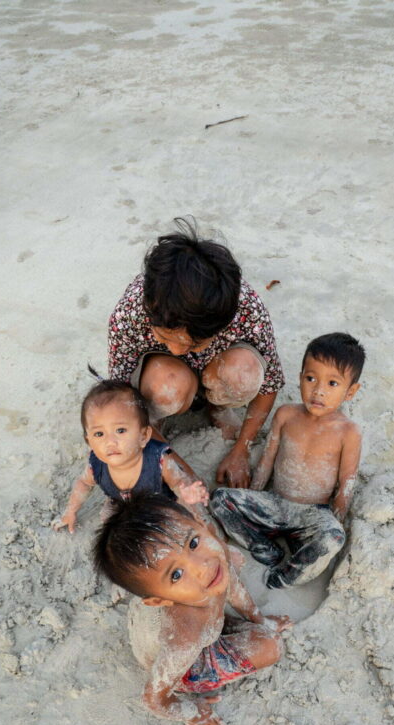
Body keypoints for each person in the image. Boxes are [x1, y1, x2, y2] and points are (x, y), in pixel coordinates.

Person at [93, 494, 291, 725]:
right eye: (176, 574)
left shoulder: (212, 565)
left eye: (194, 542)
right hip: (184, 663)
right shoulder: (185, 639)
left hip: (193, 622)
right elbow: (154, 698)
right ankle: (221, 632)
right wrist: (193, 712)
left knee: (232, 559)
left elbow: (235, 589)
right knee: (270, 646)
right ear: (160, 600)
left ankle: (222, 622)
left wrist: (260, 620)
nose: (202, 565)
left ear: (199, 522)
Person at [106, 218, 285, 488]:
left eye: (194, 345)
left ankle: (217, 406)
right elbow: (120, 399)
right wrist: (177, 468)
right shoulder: (129, 312)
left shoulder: (245, 307)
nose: (178, 349)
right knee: (167, 387)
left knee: (244, 373)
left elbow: (270, 382)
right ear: (150, 307)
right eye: (165, 338)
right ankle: (156, 424)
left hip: (218, 368)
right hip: (168, 376)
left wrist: (241, 449)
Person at [210, 333, 365, 589]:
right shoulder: (286, 415)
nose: (318, 391)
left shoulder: (348, 432)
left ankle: (284, 576)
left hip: (312, 514)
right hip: (276, 504)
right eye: (310, 378)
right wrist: (255, 497)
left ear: (351, 391)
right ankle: (264, 546)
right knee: (220, 500)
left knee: (333, 538)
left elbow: (345, 485)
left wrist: (335, 523)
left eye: (332, 384)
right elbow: (267, 461)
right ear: (301, 376)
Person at [54, 372, 208, 534]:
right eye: (99, 434)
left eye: (120, 430)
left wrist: (186, 492)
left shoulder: (158, 460)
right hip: (121, 504)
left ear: (143, 436)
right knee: (109, 520)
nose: (110, 441)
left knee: (186, 519)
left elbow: (178, 482)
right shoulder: (96, 466)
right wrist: (70, 511)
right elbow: (84, 484)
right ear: (89, 442)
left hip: (160, 506)